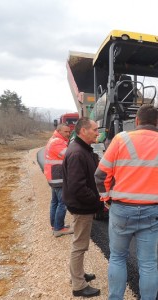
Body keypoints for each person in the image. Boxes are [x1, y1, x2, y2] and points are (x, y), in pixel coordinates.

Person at [95, 104, 158, 300]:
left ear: (136, 121)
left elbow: (100, 175)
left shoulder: (120, 139)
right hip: (152, 211)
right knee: (148, 263)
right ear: (156, 123)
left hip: (121, 209)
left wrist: (107, 198)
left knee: (117, 258)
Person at [62, 117, 101, 298]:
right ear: (83, 131)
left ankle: (77, 274)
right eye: (94, 129)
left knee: (80, 243)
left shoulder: (82, 149)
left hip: (80, 205)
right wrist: (97, 201)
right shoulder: (77, 153)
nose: (97, 132)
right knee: (80, 245)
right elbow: (78, 187)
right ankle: (78, 285)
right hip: (81, 207)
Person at [44, 123, 73, 237]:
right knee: (63, 202)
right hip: (58, 177)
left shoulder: (53, 139)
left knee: (55, 202)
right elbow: (69, 156)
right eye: (66, 132)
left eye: (69, 132)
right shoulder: (57, 142)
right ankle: (58, 228)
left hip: (53, 176)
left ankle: (55, 225)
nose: (68, 134)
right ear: (59, 131)